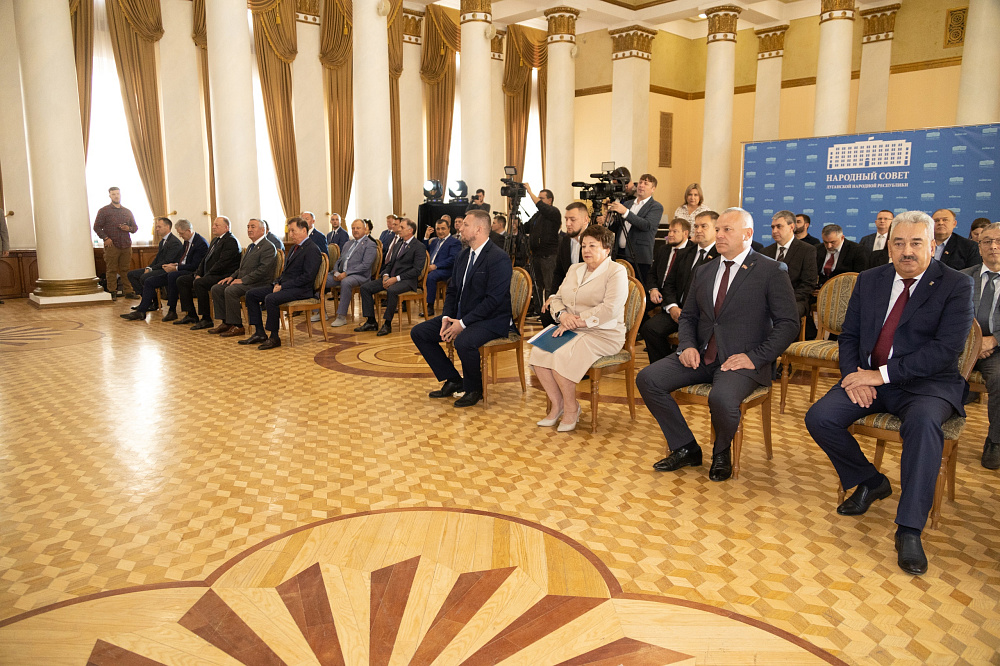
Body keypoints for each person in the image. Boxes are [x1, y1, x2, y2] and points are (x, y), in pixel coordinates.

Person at [805, 211, 974, 576]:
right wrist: (855, 376)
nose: (906, 251)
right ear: (889, 248)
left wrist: (879, 375)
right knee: (820, 417)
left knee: (923, 426)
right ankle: (872, 481)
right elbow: (849, 336)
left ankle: (909, 529)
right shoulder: (870, 279)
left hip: (928, 385)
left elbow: (944, 350)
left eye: (916, 243)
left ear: (932, 245)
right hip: (869, 378)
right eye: (899, 243)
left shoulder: (956, 284)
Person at [636, 208, 799, 482]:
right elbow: (689, 316)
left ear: (747, 234)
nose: (719, 235)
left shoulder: (771, 270)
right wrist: (687, 345)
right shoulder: (704, 271)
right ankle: (686, 447)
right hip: (701, 355)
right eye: (719, 229)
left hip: (743, 360)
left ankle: (722, 451)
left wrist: (755, 357)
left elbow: (788, 324)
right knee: (648, 379)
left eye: (727, 230)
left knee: (721, 398)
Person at [410, 209, 513, 408]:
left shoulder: (498, 257)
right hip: (463, 316)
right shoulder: (463, 255)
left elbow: (493, 300)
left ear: (479, 229)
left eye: (465, 225)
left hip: (491, 319)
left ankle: (474, 389)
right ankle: (453, 379)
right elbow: (452, 290)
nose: (460, 228)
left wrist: (462, 324)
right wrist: (446, 317)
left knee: (464, 341)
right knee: (420, 332)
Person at [531, 225, 628, 432]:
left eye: (593, 245)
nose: (586, 250)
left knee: (562, 356)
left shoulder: (616, 271)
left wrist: (577, 321)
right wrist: (562, 315)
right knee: (539, 352)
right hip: (570, 327)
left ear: (607, 249)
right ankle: (558, 404)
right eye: (584, 245)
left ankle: (571, 409)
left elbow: (610, 309)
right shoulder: (575, 269)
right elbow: (557, 298)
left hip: (604, 333)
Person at [640, 211, 720, 364]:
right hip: (676, 310)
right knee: (649, 329)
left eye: (704, 226)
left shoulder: (720, 257)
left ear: (716, 230)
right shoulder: (685, 253)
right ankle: (664, 366)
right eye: (696, 226)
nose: (698, 230)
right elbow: (669, 284)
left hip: (701, 315)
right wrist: (672, 307)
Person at [242, 217, 323, 350]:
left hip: (302, 289)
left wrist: (283, 286)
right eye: (289, 231)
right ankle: (259, 332)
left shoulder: (312, 249)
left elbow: (307, 277)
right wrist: (276, 283)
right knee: (251, 294)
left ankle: (274, 337)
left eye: (293, 231)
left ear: (304, 230)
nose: (290, 234)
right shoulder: (294, 248)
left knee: (271, 298)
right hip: (286, 286)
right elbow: (286, 272)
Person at [962, 222, 1000, 470]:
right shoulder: (962, 277)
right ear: (979, 247)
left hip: (997, 349)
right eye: (987, 241)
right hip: (962, 345)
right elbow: (949, 315)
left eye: (998, 241)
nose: (993, 246)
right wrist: (974, 342)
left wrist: (994, 339)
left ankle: (995, 440)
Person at [204, 218, 277, 337]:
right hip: (246, 281)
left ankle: (238, 326)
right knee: (217, 288)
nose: (249, 229)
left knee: (231, 290)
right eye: (248, 227)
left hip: (259, 283)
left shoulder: (268, 247)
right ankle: (226, 323)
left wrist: (243, 280)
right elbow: (241, 268)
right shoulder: (251, 246)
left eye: (253, 227)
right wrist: (231, 277)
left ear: (262, 230)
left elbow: (263, 270)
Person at [356, 218, 426, 336]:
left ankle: (387, 324)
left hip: (407, 281)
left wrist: (396, 278)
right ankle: (371, 321)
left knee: (392, 290)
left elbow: (416, 270)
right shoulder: (398, 244)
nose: (399, 229)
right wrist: (385, 275)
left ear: (410, 230)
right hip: (391, 278)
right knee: (365, 288)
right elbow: (390, 264)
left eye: (402, 227)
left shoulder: (419, 246)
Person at [174, 216, 242, 329]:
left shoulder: (231, 241)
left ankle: (206, 319)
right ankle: (191, 314)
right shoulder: (215, 240)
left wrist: (205, 276)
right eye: (213, 224)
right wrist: (198, 273)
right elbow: (204, 260)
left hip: (223, 275)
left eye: (217, 225)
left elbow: (222, 264)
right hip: (210, 273)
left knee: (200, 283)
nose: (213, 227)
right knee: (182, 280)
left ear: (226, 227)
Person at [607, 173, 664, 284]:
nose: (641, 185)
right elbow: (618, 227)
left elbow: (646, 225)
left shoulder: (656, 206)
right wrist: (611, 220)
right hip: (620, 253)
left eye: (646, 183)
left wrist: (625, 212)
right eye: (640, 182)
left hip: (639, 256)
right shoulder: (628, 204)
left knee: (637, 287)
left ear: (653, 189)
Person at [761, 210, 818, 319]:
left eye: (779, 226)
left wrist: (786, 299)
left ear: (791, 227)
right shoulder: (765, 252)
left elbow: (808, 283)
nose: (774, 231)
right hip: (768, 300)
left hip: (795, 300)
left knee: (784, 311)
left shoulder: (807, 250)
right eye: (773, 227)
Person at [328, 219, 378, 328]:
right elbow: (339, 260)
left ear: (365, 229)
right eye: (353, 228)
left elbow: (365, 265)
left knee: (346, 282)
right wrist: (336, 271)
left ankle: (341, 317)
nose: (355, 230)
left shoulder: (370, 244)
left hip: (360, 276)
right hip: (341, 274)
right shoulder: (348, 243)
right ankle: (318, 311)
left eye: (358, 228)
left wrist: (346, 273)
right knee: (322, 279)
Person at [125, 217, 183, 306]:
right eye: (156, 227)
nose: (157, 229)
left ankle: (151, 303)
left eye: (159, 227)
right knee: (131, 274)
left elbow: (168, 261)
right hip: (159, 268)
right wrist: (149, 267)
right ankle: (150, 301)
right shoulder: (162, 242)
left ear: (167, 227)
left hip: (167, 269)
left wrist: (151, 269)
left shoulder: (174, 242)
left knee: (144, 277)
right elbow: (157, 259)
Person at [159, 220, 209, 321]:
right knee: (168, 275)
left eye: (181, 233)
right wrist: (175, 265)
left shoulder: (200, 243)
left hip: (196, 272)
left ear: (189, 231)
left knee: (173, 276)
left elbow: (195, 265)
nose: (180, 236)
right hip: (185, 268)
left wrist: (176, 268)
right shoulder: (186, 241)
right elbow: (183, 259)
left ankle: (173, 309)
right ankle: (182, 312)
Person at [93, 186, 138, 299]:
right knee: (111, 269)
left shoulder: (127, 211)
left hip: (126, 244)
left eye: (117, 194)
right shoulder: (104, 211)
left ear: (120, 194)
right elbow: (96, 227)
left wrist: (128, 228)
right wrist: (105, 238)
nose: (116, 196)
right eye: (113, 194)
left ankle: (128, 291)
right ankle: (112, 292)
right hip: (112, 245)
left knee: (125, 269)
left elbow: (135, 228)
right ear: (110, 195)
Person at [523, 185, 562, 301]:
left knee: (549, 286)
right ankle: (537, 308)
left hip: (548, 256)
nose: (539, 200)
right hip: (536, 256)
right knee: (537, 286)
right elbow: (525, 228)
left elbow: (541, 206)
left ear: (550, 200)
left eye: (542, 198)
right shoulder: (537, 215)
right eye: (538, 198)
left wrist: (530, 192)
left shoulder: (554, 212)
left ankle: (549, 309)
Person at [423, 218, 461, 318]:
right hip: (431, 268)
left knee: (431, 277)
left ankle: (430, 306)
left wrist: (436, 266)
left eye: (443, 228)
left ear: (449, 229)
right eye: (438, 229)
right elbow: (423, 252)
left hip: (446, 270)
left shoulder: (454, 242)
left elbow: (453, 259)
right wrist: (426, 238)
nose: (440, 231)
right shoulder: (434, 241)